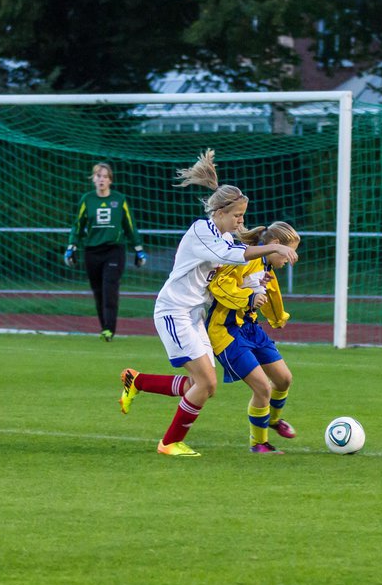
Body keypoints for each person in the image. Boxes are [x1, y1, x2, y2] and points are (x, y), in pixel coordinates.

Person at [115, 150, 299, 457]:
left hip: (194, 315)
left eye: (242, 216)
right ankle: (169, 443)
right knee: (204, 383)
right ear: (222, 212)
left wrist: (255, 287)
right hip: (174, 311)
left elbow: (234, 266)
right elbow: (231, 257)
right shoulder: (202, 230)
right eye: (238, 216)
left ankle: (138, 381)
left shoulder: (224, 238)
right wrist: (275, 244)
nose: (242, 221)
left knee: (203, 385)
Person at [205, 221, 301, 454]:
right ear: (276, 245)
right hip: (226, 330)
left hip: (250, 328)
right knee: (262, 388)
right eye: (290, 252)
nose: (290, 259)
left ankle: (273, 420)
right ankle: (259, 444)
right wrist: (248, 298)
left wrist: (278, 318)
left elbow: (270, 294)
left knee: (284, 379)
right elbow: (219, 284)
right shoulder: (244, 259)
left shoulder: (266, 267)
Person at [63, 162, 146, 341]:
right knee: (98, 292)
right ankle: (104, 328)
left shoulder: (119, 199)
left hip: (114, 250)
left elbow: (129, 225)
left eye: (105, 176)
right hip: (92, 251)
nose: (102, 179)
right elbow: (77, 226)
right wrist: (71, 247)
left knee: (110, 289)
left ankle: (109, 329)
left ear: (110, 180)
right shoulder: (87, 199)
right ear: (93, 178)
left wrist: (138, 249)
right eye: (98, 176)